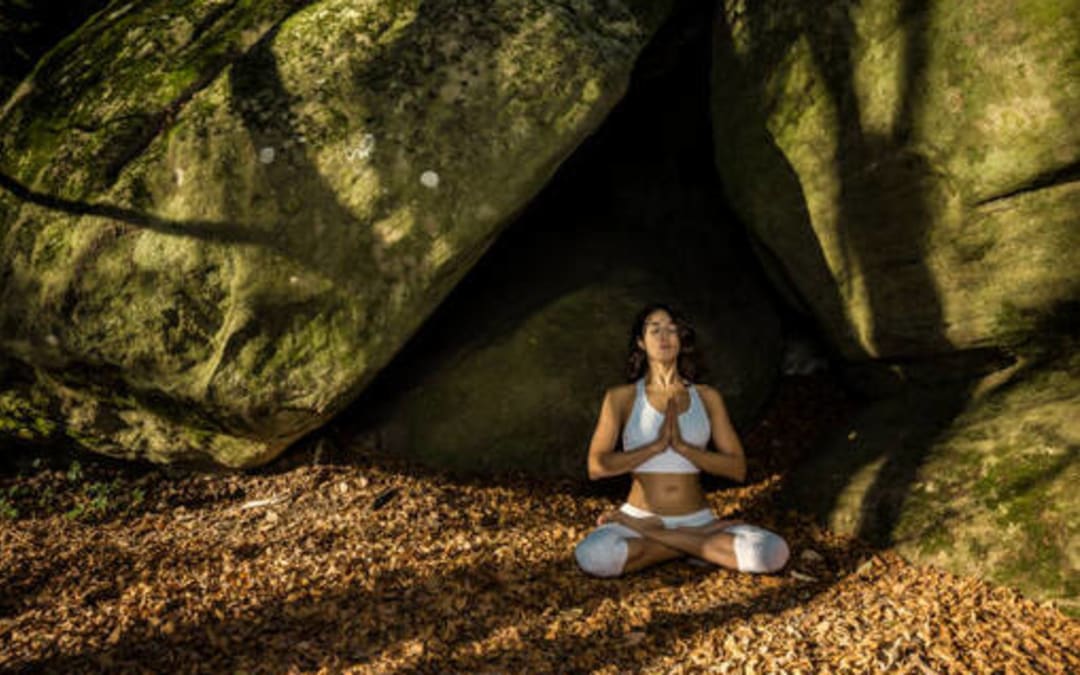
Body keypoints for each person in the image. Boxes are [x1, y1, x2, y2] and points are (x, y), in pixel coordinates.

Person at [574, 303, 790, 578]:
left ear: (680, 340)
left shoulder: (707, 397)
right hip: (638, 516)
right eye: (655, 330)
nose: (664, 336)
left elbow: (736, 468)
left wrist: (685, 449)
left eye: (671, 329)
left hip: (696, 518)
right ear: (641, 342)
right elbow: (597, 466)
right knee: (593, 556)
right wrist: (654, 447)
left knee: (772, 552)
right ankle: (695, 544)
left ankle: (661, 538)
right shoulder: (622, 397)